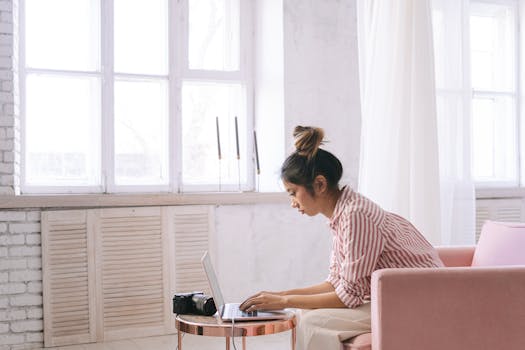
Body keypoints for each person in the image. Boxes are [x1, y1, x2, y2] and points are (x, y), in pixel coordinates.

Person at [239, 125, 444, 350]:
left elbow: (348, 296)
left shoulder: (355, 215)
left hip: (418, 301)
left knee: (311, 321)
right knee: (305, 312)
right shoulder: (342, 215)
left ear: (319, 184)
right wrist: (279, 295)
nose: (292, 202)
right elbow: (335, 283)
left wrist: (284, 301)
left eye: (293, 193)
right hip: (393, 296)